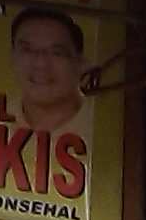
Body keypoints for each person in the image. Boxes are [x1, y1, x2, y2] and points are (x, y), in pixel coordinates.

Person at [9, 8, 89, 137]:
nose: (40, 63)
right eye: (28, 50)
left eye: (56, 53)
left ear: (80, 63)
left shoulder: (96, 126)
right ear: (12, 56)